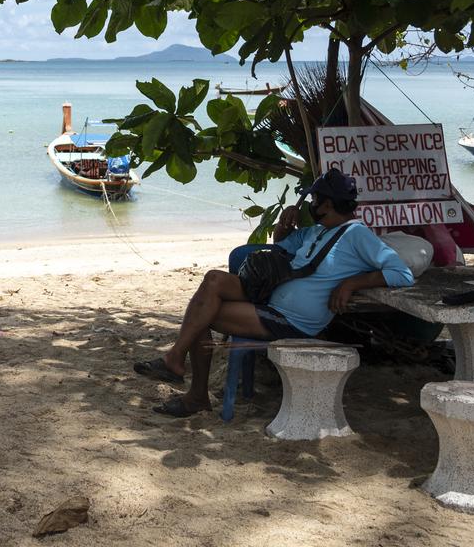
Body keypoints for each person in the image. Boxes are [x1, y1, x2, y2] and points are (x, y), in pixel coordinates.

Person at [132, 168, 415, 417]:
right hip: (271, 298)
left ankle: (190, 388)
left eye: (314, 200)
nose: (310, 205)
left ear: (327, 204)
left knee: (201, 317)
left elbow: (401, 274)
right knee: (213, 281)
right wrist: (284, 225)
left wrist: (352, 284)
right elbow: (281, 249)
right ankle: (178, 365)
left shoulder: (357, 235)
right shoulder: (318, 231)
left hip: (293, 320)